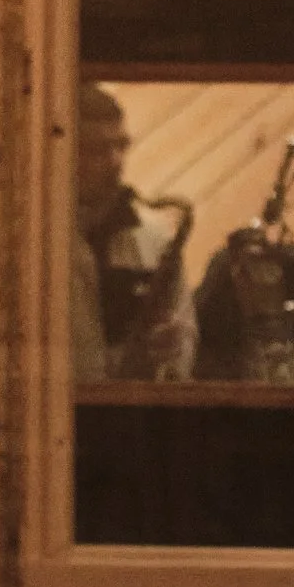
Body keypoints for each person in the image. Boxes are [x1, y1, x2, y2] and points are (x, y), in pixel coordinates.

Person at [73, 84, 196, 381]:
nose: (116, 162)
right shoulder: (37, 238)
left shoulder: (153, 238)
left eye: (121, 146)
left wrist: (175, 345)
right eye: (97, 149)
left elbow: (185, 329)